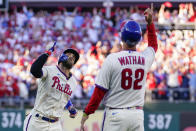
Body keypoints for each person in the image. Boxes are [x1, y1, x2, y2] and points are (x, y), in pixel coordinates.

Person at [80, 4, 157, 131]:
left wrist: (87, 112)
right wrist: (150, 23)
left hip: (116, 114)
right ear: (138, 39)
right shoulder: (144, 58)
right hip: (136, 115)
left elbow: (99, 91)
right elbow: (153, 46)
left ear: (122, 37)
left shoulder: (112, 59)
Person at [23, 42, 80, 131]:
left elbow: (64, 96)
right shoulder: (49, 70)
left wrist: (70, 107)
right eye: (69, 54)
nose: (72, 57)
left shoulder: (73, 82)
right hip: (38, 121)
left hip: (56, 125)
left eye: (74, 57)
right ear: (62, 57)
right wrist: (47, 53)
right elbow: (34, 70)